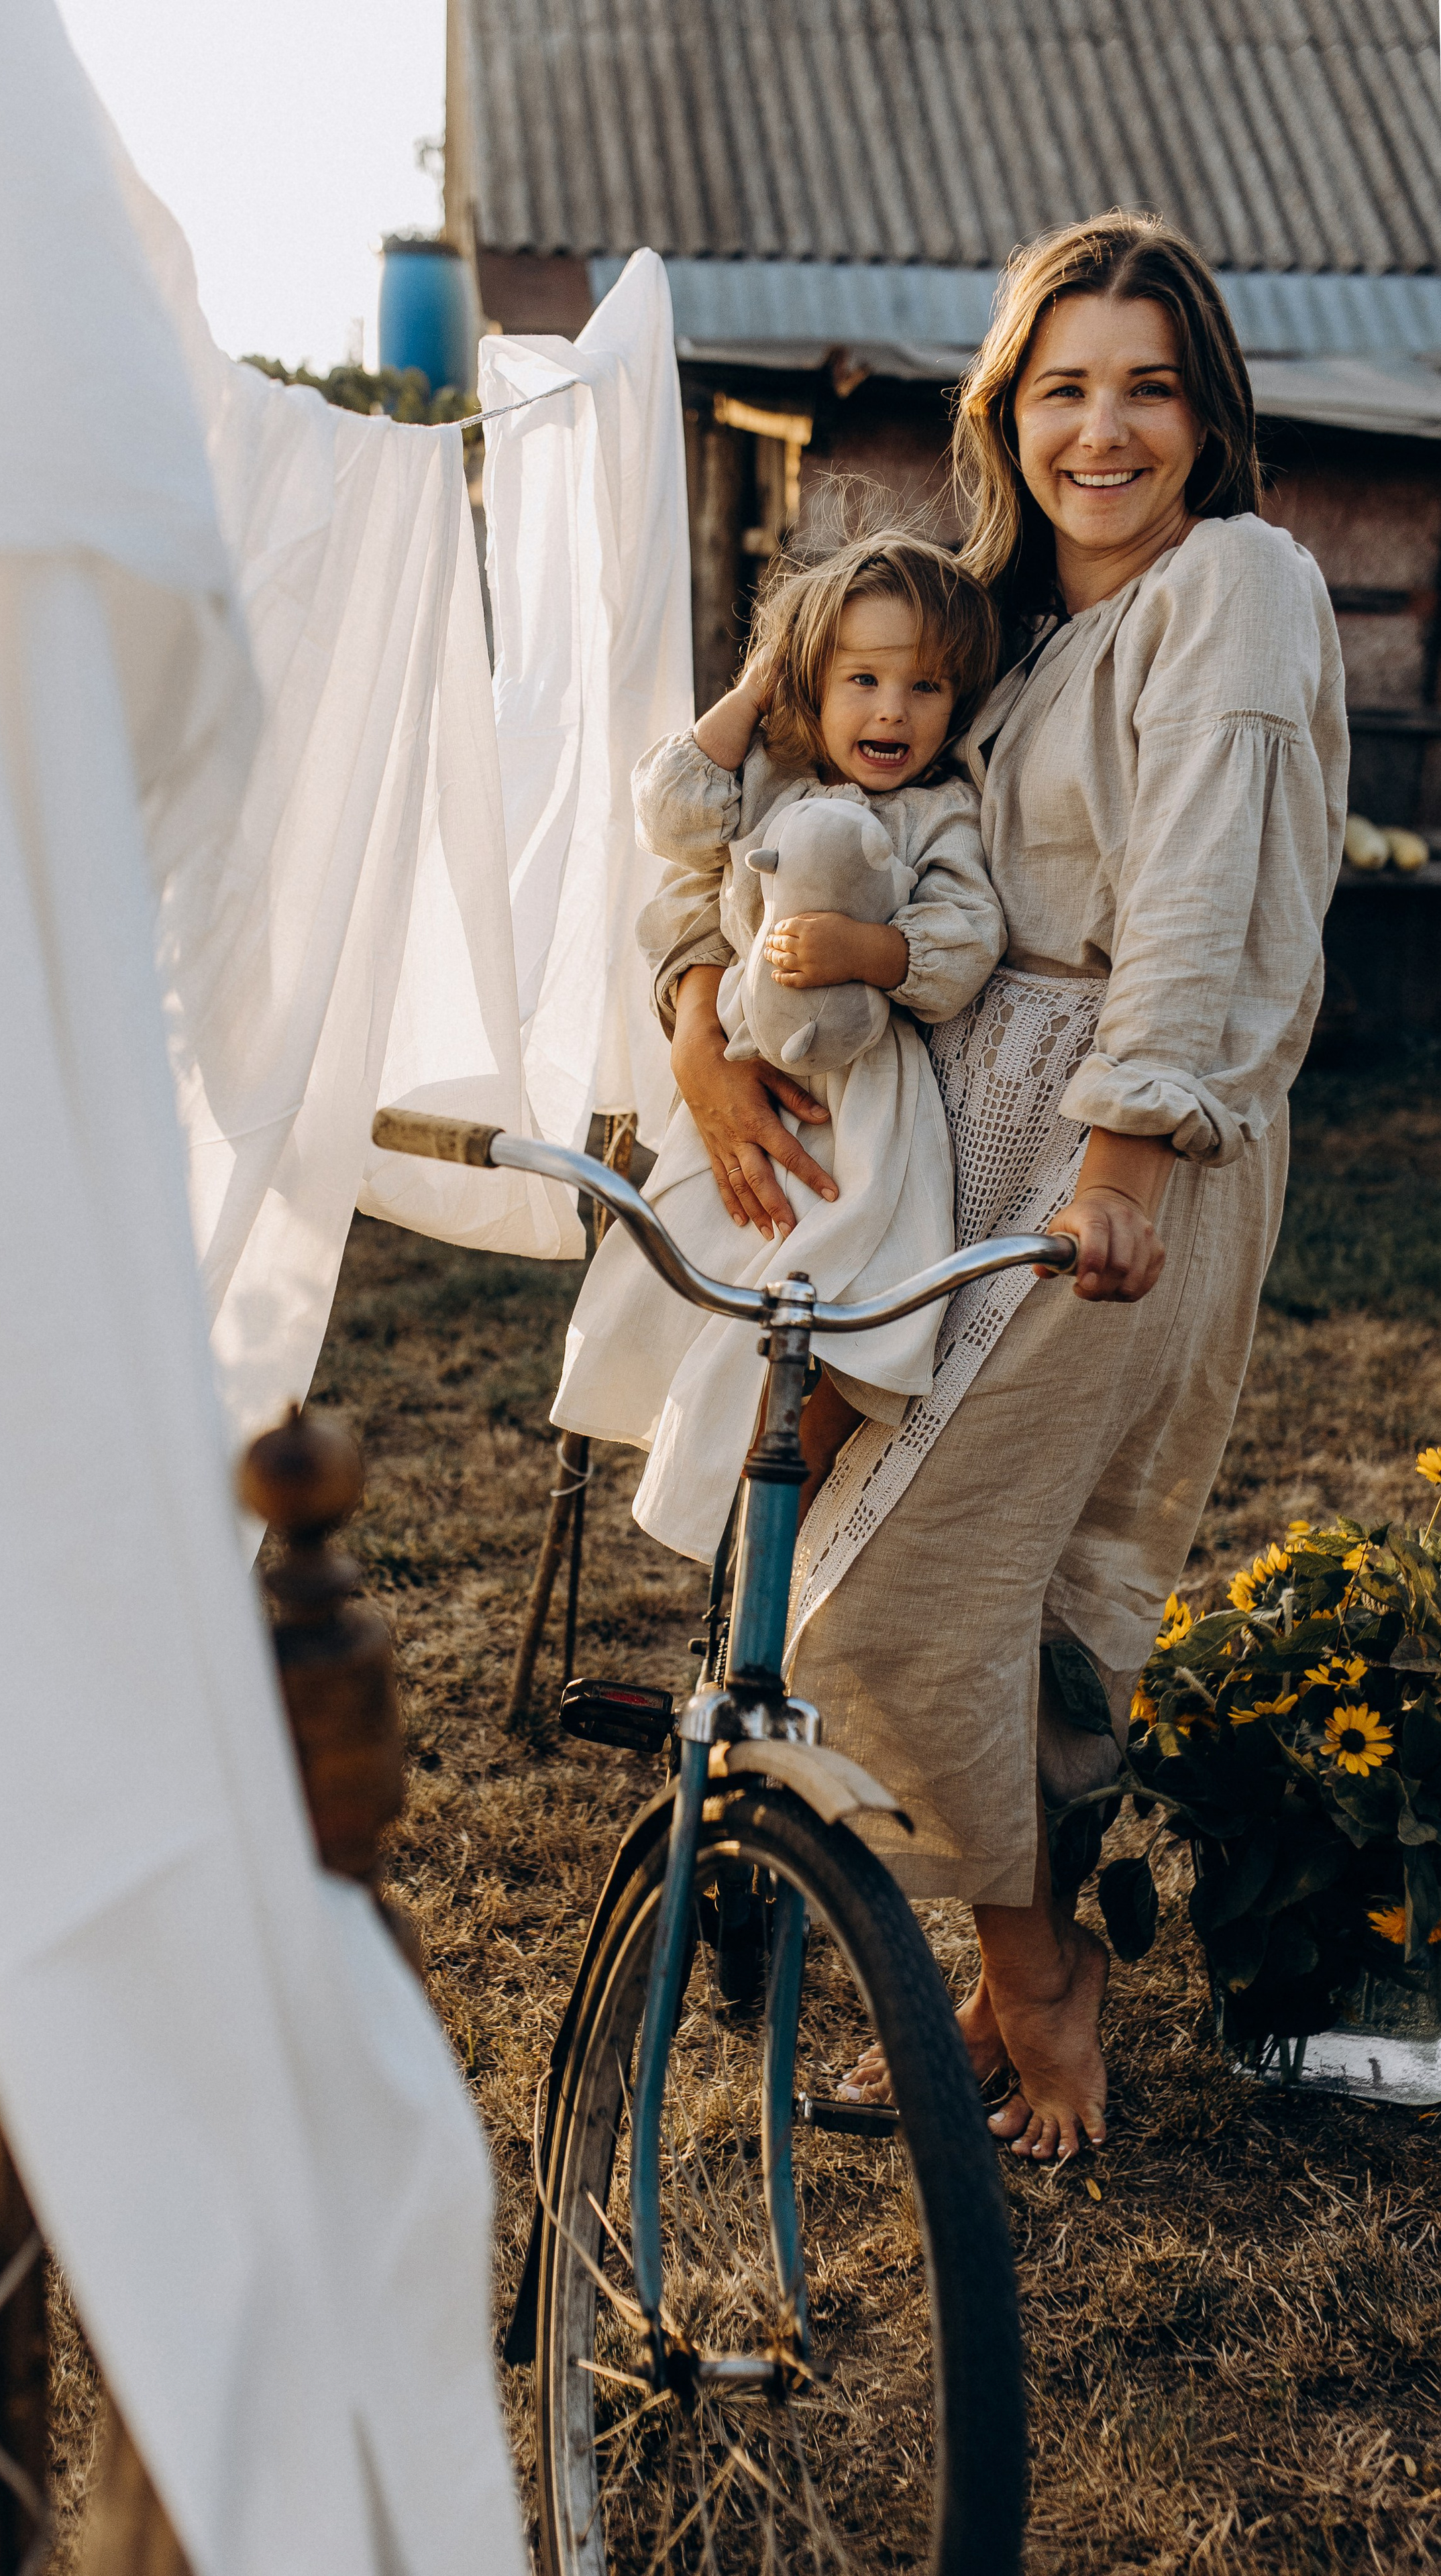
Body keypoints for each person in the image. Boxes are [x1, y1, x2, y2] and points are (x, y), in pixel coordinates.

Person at [647, 213, 1348, 2163]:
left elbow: (1202, 874)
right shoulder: (975, 632)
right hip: (946, 1120)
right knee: (952, 1566)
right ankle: (1005, 1971)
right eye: (1063, 389)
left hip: (1129, 1132)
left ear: (1208, 415)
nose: (1102, 430)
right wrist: (697, 1011)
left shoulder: (1241, 583)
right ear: (1005, 412)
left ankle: (1041, 1976)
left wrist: (1127, 1141)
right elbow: (743, 819)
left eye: (1146, 386)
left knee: (900, 1590)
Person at [551, 533, 1004, 1561]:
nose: (893, 710)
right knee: (708, 1290)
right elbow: (669, 808)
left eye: (926, 686)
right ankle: (718, 1504)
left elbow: (967, 938)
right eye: (863, 679)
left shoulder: (939, 811)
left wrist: (869, 948)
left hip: (856, 1105)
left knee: (825, 1302)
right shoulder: (769, 781)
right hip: (744, 1068)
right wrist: (760, 682)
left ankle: (763, 1523)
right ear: (811, 681)